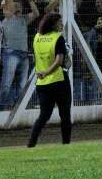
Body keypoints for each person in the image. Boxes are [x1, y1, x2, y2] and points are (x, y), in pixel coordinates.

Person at [27, 13, 71, 147]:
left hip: (42, 83)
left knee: (44, 115)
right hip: (58, 80)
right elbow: (59, 61)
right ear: (53, 25)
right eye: (60, 22)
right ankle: (66, 144)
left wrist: (43, 72)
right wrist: (47, 72)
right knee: (65, 114)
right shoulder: (58, 38)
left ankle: (31, 143)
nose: (62, 25)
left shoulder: (37, 37)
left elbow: (37, 57)